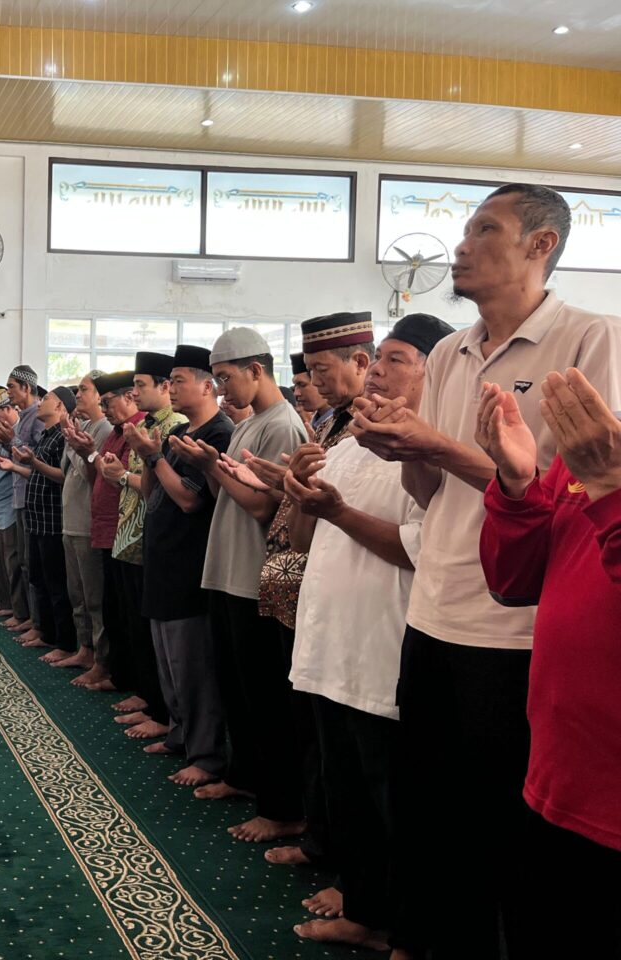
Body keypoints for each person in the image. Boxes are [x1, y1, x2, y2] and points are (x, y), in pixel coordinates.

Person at [350, 183, 621, 959]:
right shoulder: (449, 352)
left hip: (518, 627)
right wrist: (400, 445)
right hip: (435, 608)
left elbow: (583, 493)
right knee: (429, 810)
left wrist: (441, 447)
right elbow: (430, 493)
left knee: (503, 833)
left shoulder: (590, 338)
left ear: (541, 245)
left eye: (484, 230)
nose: (461, 247)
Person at [284, 313, 454, 950]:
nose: (376, 370)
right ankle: (363, 907)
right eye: (377, 357)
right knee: (347, 792)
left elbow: (417, 550)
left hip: (384, 651)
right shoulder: (350, 444)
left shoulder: (435, 449)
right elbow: (304, 540)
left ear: (437, 371)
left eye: (396, 359)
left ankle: (404, 927)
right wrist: (301, 490)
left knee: (396, 804)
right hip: (329, 646)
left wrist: (337, 511)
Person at [476, 367, 621, 960]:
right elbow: (514, 583)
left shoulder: (603, 459)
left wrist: (611, 488)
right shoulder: (599, 445)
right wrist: (517, 485)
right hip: (557, 773)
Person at [247, 312, 372, 884]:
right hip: (301, 586)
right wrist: (287, 485)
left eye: (321, 370)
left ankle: (338, 856)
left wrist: (293, 491)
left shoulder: (374, 430)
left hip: (347, 598)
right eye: (310, 372)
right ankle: (321, 838)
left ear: (360, 362)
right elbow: (305, 517)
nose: (313, 383)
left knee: (341, 742)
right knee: (312, 729)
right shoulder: (331, 423)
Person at [177, 327, 307, 844]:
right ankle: (243, 776)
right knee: (235, 688)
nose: (222, 388)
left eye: (227, 377)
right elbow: (225, 492)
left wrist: (212, 464)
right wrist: (209, 467)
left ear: (256, 369)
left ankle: (279, 808)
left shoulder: (283, 426)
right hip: (227, 570)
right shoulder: (247, 422)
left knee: (264, 698)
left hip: (255, 578)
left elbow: (263, 508)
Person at [130, 345, 233, 786]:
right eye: (169, 381)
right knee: (169, 662)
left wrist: (154, 457)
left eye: (179, 381)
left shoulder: (218, 433)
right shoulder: (178, 430)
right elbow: (152, 494)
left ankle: (206, 755)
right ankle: (179, 735)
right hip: (163, 558)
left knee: (192, 666)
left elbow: (191, 500)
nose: (170, 388)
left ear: (207, 386)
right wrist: (147, 455)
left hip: (190, 564)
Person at [101, 352, 188, 742]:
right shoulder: (146, 425)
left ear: (164, 387)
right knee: (136, 626)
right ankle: (148, 697)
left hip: (151, 538)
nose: (134, 393)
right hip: (131, 533)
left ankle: (159, 707)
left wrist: (121, 476)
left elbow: (161, 488)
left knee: (152, 633)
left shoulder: (175, 426)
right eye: (133, 386)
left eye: (140, 385)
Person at [0, 386, 78, 655]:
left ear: (61, 407)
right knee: (38, 577)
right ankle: (44, 631)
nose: (41, 402)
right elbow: (37, 473)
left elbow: (62, 476)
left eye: (48, 399)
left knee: (56, 584)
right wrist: (15, 465)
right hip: (37, 517)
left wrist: (32, 461)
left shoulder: (63, 437)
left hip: (52, 519)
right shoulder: (46, 435)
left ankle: (63, 642)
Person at [79, 370, 144, 691]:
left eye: (107, 402)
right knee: (113, 608)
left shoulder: (140, 430)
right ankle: (116, 674)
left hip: (128, 531)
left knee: (128, 612)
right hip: (107, 529)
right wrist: (87, 453)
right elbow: (101, 474)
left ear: (129, 397)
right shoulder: (115, 432)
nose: (104, 409)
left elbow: (123, 479)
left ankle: (130, 681)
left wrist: (93, 457)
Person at [56, 372, 112, 676]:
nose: (77, 395)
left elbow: (90, 471)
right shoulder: (86, 426)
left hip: (88, 523)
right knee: (76, 594)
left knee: (94, 598)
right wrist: (71, 439)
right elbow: (67, 467)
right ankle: (84, 648)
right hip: (72, 520)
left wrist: (76, 444)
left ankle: (101, 659)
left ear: (99, 395)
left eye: (84, 390)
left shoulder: (103, 429)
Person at [5, 365, 45, 642]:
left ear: (26, 387)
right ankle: (32, 618)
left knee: (32, 564)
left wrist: (12, 439)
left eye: (11, 387)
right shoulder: (23, 417)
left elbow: (36, 459)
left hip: (34, 498)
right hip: (20, 495)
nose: (8, 393)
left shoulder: (38, 417)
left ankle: (38, 623)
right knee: (23, 560)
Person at [0, 389, 22, 622]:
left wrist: (10, 442)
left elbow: (24, 459)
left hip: (13, 503)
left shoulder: (16, 431)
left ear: (7, 409)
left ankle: (18, 611)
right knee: (2, 558)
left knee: (14, 561)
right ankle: (6, 603)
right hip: (1, 505)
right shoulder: (4, 432)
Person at [292, 352, 334, 435]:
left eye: (302, 385)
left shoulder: (347, 424)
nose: (296, 393)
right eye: (295, 386)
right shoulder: (314, 423)